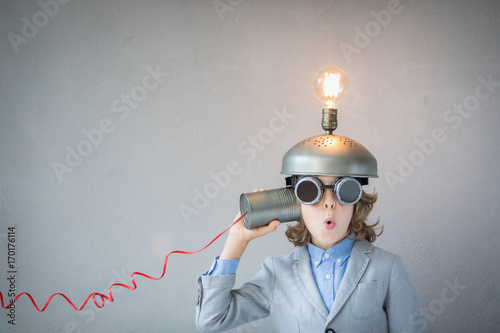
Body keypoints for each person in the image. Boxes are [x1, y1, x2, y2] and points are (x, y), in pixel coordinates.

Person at [195, 174, 420, 332]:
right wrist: (236, 241)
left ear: (356, 202)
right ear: (296, 204)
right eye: (313, 191)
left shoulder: (388, 268)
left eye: (344, 191)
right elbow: (211, 319)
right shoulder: (276, 274)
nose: (329, 203)